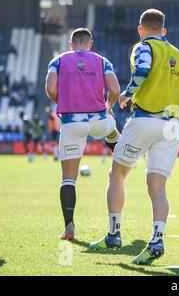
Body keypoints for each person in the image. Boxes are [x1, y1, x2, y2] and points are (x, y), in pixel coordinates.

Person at [89, 9, 179, 265]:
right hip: (173, 126)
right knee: (157, 186)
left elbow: (143, 70)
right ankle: (157, 239)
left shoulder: (143, 46)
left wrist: (126, 94)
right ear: (164, 30)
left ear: (140, 29)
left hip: (145, 119)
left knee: (117, 174)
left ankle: (114, 234)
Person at [45, 28, 121, 240]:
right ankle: (120, 150)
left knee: (68, 178)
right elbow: (115, 89)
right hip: (98, 120)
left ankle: (69, 228)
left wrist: (64, 102)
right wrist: (108, 105)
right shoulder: (101, 60)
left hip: (71, 124)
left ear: (71, 44)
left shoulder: (58, 61)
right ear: (90, 44)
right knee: (111, 129)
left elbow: (50, 88)